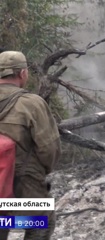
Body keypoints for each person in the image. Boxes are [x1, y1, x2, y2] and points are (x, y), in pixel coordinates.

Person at [0, 51, 61, 239]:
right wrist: (42, 172)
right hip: (23, 182)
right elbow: (49, 149)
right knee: (41, 222)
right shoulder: (32, 104)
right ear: (23, 74)